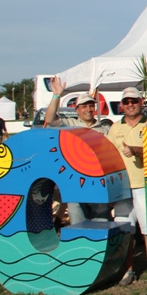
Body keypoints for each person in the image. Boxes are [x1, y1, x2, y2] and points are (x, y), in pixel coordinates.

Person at [44, 77, 112, 225]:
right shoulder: (70, 125)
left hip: (98, 186)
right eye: (84, 106)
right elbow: (49, 120)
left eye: (90, 106)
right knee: (77, 225)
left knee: (101, 224)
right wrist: (56, 96)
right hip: (75, 185)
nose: (88, 109)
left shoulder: (105, 129)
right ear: (77, 109)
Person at [107, 86, 147, 286]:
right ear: (122, 105)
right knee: (125, 231)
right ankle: (127, 270)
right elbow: (107, 156)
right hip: (122, 188)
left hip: (144, 185)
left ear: (141, 102)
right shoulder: (115, 128)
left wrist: (136, 151)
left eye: (134, 101)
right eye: (127, 102)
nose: (131, 105)